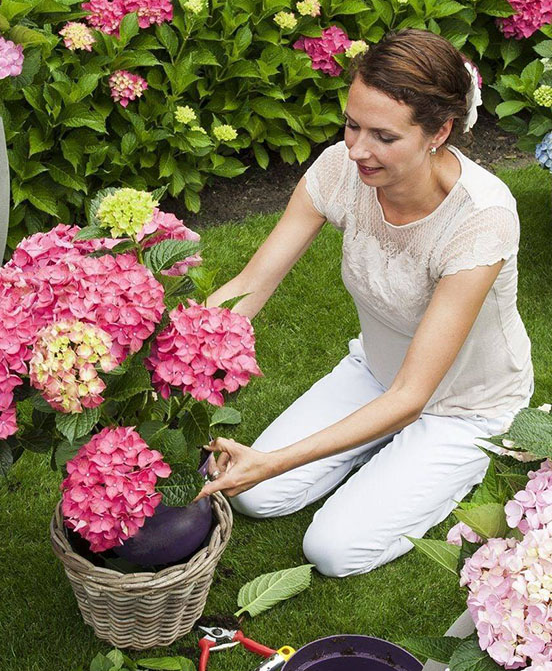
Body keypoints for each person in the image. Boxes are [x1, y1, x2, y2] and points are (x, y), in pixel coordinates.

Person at [197, 29, 533, 578]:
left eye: (383, 136)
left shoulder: (480, 218)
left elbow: (412, 395)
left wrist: (275, 460)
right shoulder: (340, 170)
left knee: (331, 550)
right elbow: (251, 283)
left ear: (439, 131)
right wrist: (172, 352)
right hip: (377, 372)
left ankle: (451, 458)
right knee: (254, 495)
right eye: (352, 125)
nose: (357, 149)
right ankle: (374, 446)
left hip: (462, 407)